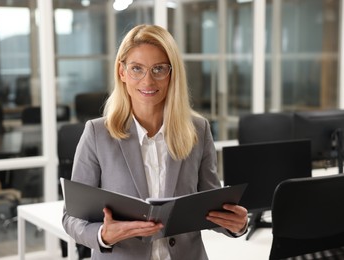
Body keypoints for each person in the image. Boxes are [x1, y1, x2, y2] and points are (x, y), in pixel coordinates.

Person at [62, 24, 248, 260]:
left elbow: (209, 210)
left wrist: (236, 224)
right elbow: (71, 217)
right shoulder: (97, 134)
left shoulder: (198, 131)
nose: (148, 81)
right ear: (122, 72)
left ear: (172, 74)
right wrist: (102, 235)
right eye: (137, 69)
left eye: (159, 69)